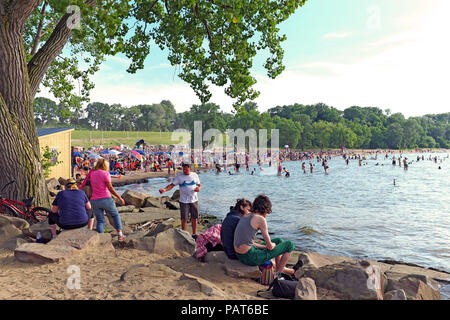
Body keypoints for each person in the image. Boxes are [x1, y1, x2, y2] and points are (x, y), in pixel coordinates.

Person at [233, 195, 297, 277]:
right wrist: (271, 245)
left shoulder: (246, 215)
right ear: (266, 209)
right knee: (290, 245)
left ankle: (278, 268)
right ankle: (278, 275)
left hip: (239, 254)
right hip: (250, 257)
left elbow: (248, 242)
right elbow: (270, 247)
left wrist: (264, 246)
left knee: (279, 240)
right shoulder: (260, 219)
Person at [81, 158, 126, 240]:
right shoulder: (105, 173)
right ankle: (120, 234)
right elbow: (110, 188)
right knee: (115, 215)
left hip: (94, 200)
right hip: (106, 199)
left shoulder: (92, 173)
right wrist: (119, 197)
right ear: (106, 165)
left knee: (100, 220)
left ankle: (101, 238)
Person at [159, 163, 201, 237]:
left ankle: (194, 234)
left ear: (190, 169)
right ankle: (184, 234)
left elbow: (199, 185)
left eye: (186, 170)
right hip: (184, 201)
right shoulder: (179, 177)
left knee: (194, 217)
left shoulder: (195, 175)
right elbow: (172, 185)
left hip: (194, 200)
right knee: (184, 218)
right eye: (183, 169)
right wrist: (164, 189)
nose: (185, 171)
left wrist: (199, 189)